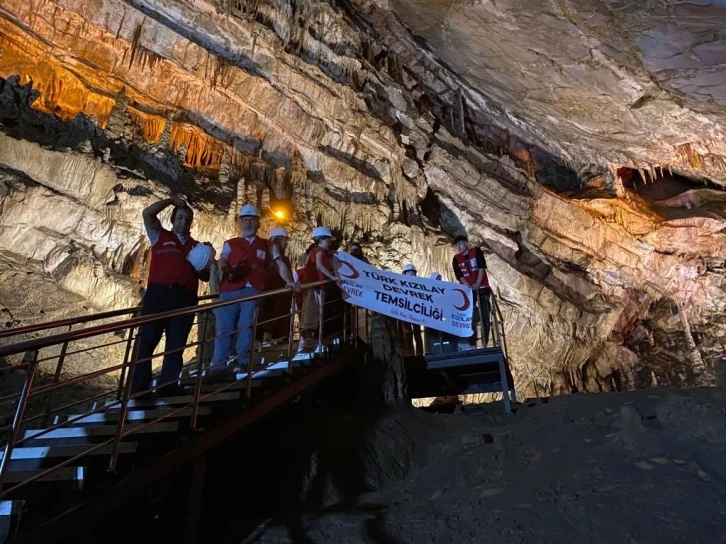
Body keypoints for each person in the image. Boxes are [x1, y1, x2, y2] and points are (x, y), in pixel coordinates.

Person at [132, 196, 213, 396]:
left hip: (184, 297)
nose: (184, 222)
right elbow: (148, 214)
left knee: (176, 345)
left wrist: (207, 257)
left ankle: (167, 386)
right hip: (158, 294)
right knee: (147, 341)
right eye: (180, 218)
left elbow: (205, 276)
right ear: (172, 219)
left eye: (187, 219)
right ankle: (139, 388)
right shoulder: (160, 236)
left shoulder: (197, 247)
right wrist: (170, 201)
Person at [211, 204, 297, 374]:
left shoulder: (266, 245)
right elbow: (222, 260)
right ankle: (218, 366)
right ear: (240, 223)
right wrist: (226, 269)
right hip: (230, 289)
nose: (248, 223)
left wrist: (289, 281)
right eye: (245, 220)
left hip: (252, 289)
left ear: (258, 223)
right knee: (224, 328)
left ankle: (242, 361)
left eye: (252, 220)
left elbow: (280, 264)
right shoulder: (230, 243)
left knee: (246, 324)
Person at [299, 227, 340, 352]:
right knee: (313, 311)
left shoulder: (318, 252)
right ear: (321, 240)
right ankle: (308, 342)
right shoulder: (319, 251)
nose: (329, 243)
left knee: (310, 311)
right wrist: (333, 277)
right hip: (315, 285)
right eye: (328, 240)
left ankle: (305, 340)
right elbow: (319, 266)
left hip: (313, 285)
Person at [451, 234, 491, 346]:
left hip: (482, 289)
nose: (458, 247)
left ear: (466, 243)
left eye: (460, 244)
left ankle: (485, 342)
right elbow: (459, 274)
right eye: (456, 245)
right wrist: (467, 284)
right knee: (469, 317)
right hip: (468, 292)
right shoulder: (456, 259)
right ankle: (470, 343)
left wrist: (478, 283)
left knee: (485, 315)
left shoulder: (476, 252)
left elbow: (481, 267)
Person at [258, 227, 294, 345]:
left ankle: (277, 338)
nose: (287, 244)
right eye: (285, 241)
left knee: (278, 316)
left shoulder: (284, 258)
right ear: (279, 240)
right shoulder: (270, 256)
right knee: (270, 317)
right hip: (272, 292)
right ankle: (269, 339)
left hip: (281, 294)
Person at [399, 264, 423, 356]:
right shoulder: (401, 285)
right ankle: (410, 354)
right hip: (405, 312)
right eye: (409, 272)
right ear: (405, 273)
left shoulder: (419, 285)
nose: (411, 274)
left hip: (416, 311)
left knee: (417, 333)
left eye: (412, 272)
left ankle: (419, 354)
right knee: (407, 334)